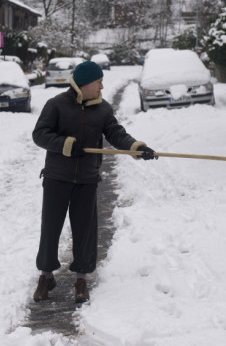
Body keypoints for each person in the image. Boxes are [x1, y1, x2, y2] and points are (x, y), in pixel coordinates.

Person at [32, 60, 157, 303]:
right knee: (50, 227)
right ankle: (46, 275)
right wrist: (66, 145)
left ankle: (81, 279)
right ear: (85, 83)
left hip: (87, 179)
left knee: (85, 230)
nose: (102, 86)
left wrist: (136, 148)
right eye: (98, 81)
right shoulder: (56, 104)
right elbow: (40, 134)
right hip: (57, 177)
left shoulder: (103, 109)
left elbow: (116, 133)